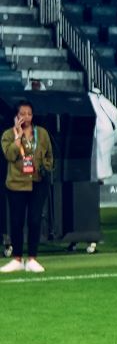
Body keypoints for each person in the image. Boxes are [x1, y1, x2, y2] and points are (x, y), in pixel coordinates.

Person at [1, 100, 54, 274]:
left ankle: (32, 258)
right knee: (17, 222)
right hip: (17, 184)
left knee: (35, 220)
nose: (26, 117)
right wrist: (18, 137)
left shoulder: (42, 133)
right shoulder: (8, 135)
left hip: (37, 182)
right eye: (22, 114)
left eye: (29, 114)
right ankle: (17, 258)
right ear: (16, 116)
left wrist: (46, 167)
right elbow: (10, 155)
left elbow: (49, 154)